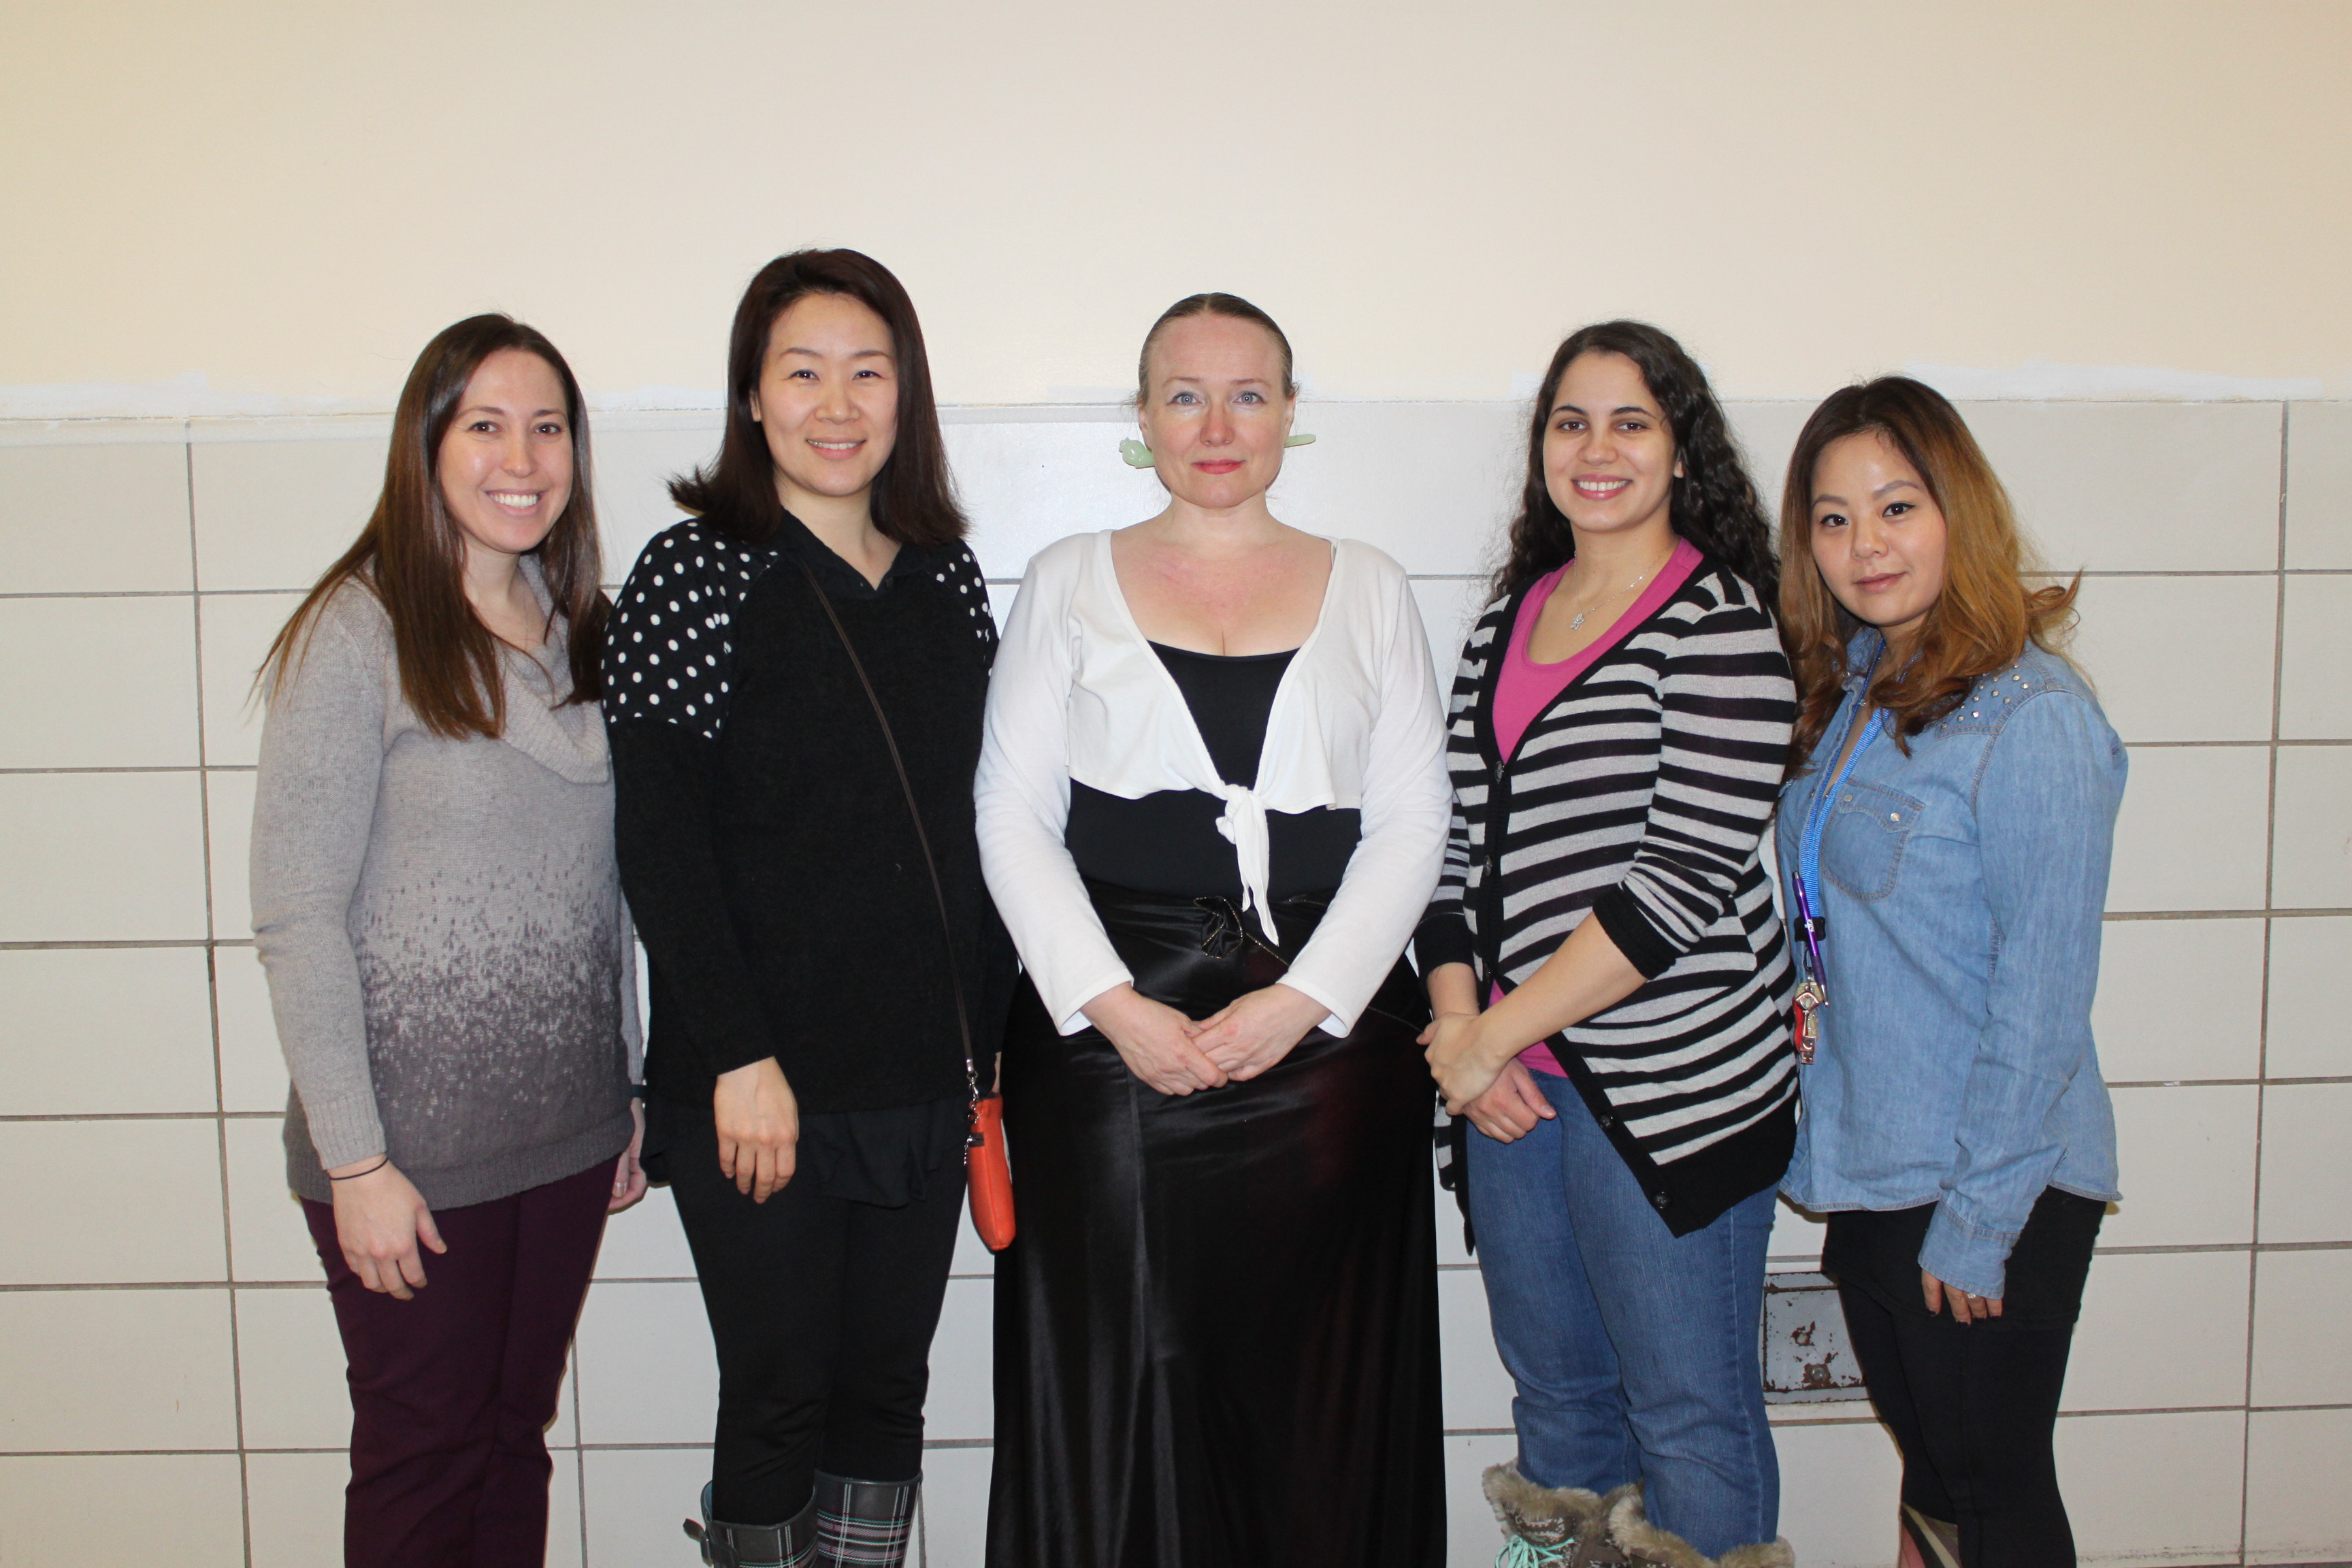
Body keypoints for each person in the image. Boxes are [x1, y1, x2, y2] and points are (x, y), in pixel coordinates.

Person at [976, 293, 1453, 1567]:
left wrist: (1305, 999)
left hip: (1332, 1052)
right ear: (1143, 422)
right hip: (1106, 1055)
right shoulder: (1068, 580)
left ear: (1293, 415)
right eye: (1184, 395)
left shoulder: (1372, 586)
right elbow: (1011, 818)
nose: (1218, 424)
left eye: (1249, 394)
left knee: (1314, 1401)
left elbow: (1413, 823)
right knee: (1130, 1384)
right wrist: (1115, 1010)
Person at [605, 248, 1011, 1568]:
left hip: (918, 1083)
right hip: (759, 1087)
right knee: (776, 1397)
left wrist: (995, 1058)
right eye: (802, 373)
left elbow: (983, 827)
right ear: (751, 399)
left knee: (885, 1398)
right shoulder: (697, 570)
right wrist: (733, 1054)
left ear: (907, 397)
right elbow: (659, 840)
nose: (837, 404)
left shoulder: (946, 577)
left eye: (868, 372)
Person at [250, 314, 644, 1568]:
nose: (520, 458)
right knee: (422, 1455)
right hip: (409, 1162)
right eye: (484, 424)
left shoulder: (584, 625)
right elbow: (295, 914)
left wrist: (625, 1089)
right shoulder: (358, 633)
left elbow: (611, 892)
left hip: (569, 1138)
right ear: (426, 447)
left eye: (547, 428)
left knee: (512, 1439)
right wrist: (357, 1163)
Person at [1419, 321, 1798, 1568]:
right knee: (1561, 1414)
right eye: (1570, 422)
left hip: (1673, 1094)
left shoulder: (1722, 625)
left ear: (1682, 451)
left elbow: (1673, 889)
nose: (1597, 449)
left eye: (1632, 422)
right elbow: (1456, 853)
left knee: (1689, 1420)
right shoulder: (1505, 624)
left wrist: (1485, 1040)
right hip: (1518, 1098)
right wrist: (1460, 1024)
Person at [1774, 377, 2123, 1568]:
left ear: (1956, 511)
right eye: (1832, 518)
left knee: (1996, 1496)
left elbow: (2044, 991)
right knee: (1938, 1487)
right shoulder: (1857, 687)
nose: (1863, 545)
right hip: (1878, 1158)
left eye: (1895, 507)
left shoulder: (2034, 717)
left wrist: (1979, 1224)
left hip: (1989, 1179)